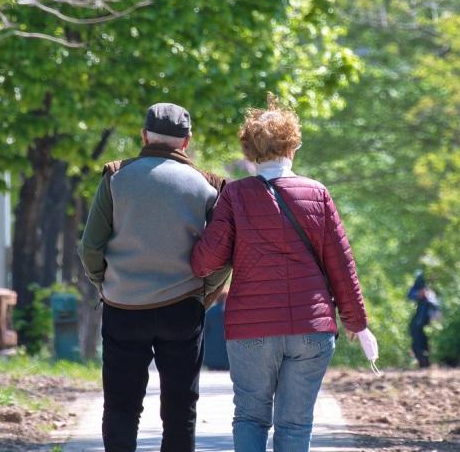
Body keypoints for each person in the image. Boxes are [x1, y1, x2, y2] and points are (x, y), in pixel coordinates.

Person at [191, 95, 377, 452]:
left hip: (251, 330)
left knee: (250, 418)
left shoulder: (234, 196)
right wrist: (357, 323)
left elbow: (204, 263)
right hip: (311, 329)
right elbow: (342, 265)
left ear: (248, 151)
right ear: (294, 146)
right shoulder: (317, 193)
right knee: (295, 425)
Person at [77, 102, 230, 452]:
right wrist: (204, 293)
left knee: (121, 405)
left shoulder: (116, 176)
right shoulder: (209, 186)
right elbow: (223, 252)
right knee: (180, 408)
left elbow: (90, 247)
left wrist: (108, 284)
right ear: (186, 142)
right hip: (182, 308)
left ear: (144, 136)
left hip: (124, 307)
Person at [408, 270, 439, 368]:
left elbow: (435, 305)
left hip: (428, 322)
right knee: (416, 338)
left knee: (426, 341)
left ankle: (427, 361)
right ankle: (421, 361)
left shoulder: (430, 291)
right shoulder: (419, 288)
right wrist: (419, 294)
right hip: (419, 320)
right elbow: (411, 295)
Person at [203, 291, 230, 370]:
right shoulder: (230, 312)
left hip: (211, 354)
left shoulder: (210, 311)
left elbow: (204, 331)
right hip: (226, 354)